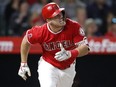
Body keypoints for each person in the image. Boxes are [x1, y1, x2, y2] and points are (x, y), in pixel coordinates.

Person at [18, 2, 89, 87]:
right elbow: (26, 40)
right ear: (48, 20)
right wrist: (23, 63)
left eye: (60, 13)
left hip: (68, 68)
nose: (61, 17)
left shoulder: (74, 26)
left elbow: (85, 48)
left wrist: (70, 53)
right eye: (56, 16)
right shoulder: (41, 31)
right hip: (48, 66)